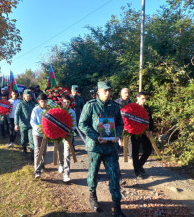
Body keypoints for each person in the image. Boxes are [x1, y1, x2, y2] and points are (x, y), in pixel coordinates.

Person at [79, 81, 126, 216]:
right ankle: (93, 196)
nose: (107, 93)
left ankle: (117, 207)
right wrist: (95, 136)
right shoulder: (91, 105)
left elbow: (120, 124)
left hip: (111, 147)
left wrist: (117, 135)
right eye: (105, 90)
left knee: (114, 175)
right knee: (93, 173)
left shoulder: (115, 106)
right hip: (95, 147)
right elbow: (82, 124)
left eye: (109, 90)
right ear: (98, 91)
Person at [131, 92, 154, 179]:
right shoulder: (132, 107)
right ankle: (136, 170)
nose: (144, 101)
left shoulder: (147, 108)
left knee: (148, 150)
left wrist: (151, 130)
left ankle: (140, 165)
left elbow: (150, 120)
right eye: (142, 99)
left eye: (145, 99)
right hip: (135, 132)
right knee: (135, 151)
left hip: (145, 132)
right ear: (137, 98)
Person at [57, 94, 77, 182]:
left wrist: (70, 130)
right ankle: (61, 164)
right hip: (58, 135)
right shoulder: (58, 111)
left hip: (68, 135)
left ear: (70, 103)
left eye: (68, 102)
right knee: (60, 151)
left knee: (67, 153)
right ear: (62, 102)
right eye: (64, 102)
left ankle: (66, 173)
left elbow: (74, 124)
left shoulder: (72, 112)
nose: (66, 104)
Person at [30, 93, 48, 178]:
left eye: (45, 101)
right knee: (37, 151)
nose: (43, 103)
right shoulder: (35, 110)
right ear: (39, 101)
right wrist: (39, 128)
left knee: (44, 150)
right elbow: (32, 122)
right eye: (42, 101)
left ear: (47, 101)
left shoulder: (49, 110)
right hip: (37, 133)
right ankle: (37, 171)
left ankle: (42, 164)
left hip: (46, 134)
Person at [14, 89, 36, 159]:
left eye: (30, 96)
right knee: (23, 139)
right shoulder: (20, 104)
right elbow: (16, 114)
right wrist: (16, 124)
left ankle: (32, 153)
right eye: (27, 96)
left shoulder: (33, 104)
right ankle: (24, 150)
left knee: (31, 139)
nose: (28, 97)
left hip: (31, 125)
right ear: (24, 96)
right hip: (23, 125)